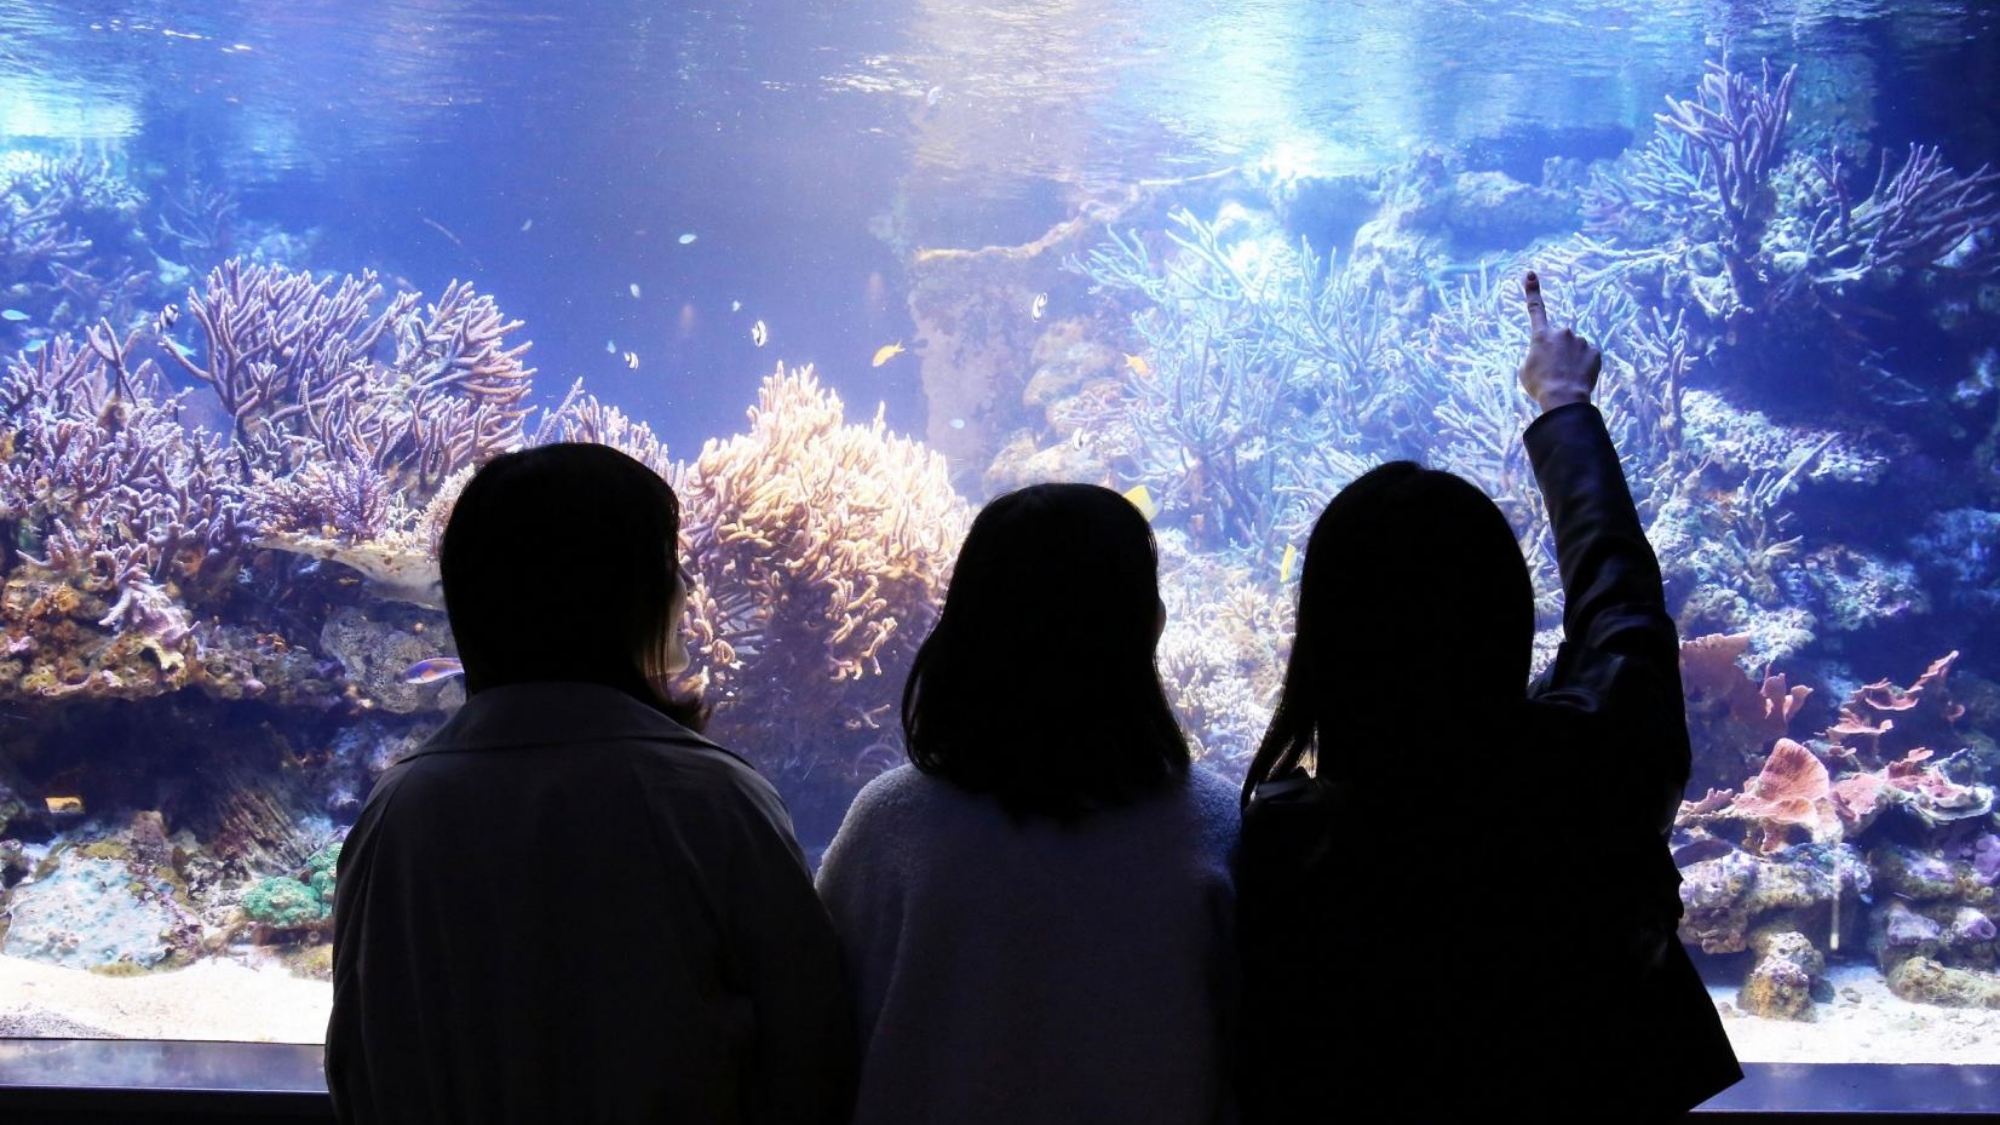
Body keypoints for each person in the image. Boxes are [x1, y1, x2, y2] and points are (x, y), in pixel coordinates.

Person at [1235, 273, 1741, 1122]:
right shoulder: (1594, 780)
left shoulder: (1281, 847)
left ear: (1324, 640)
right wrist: (1564, 406)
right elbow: (1621, 606)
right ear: (1506, 617)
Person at [326, 442, 852, 1125]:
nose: (687, 588)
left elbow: (358, 1065)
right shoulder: (714, 801)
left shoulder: (396, 813)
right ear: (620, 595)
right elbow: (814, 1057)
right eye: (670, 563)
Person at [815, 482, 1241, 1125]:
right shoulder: (1219, 832)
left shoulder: (887, 827)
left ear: (964, 628)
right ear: (1146, 625)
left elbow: (813, 1045)